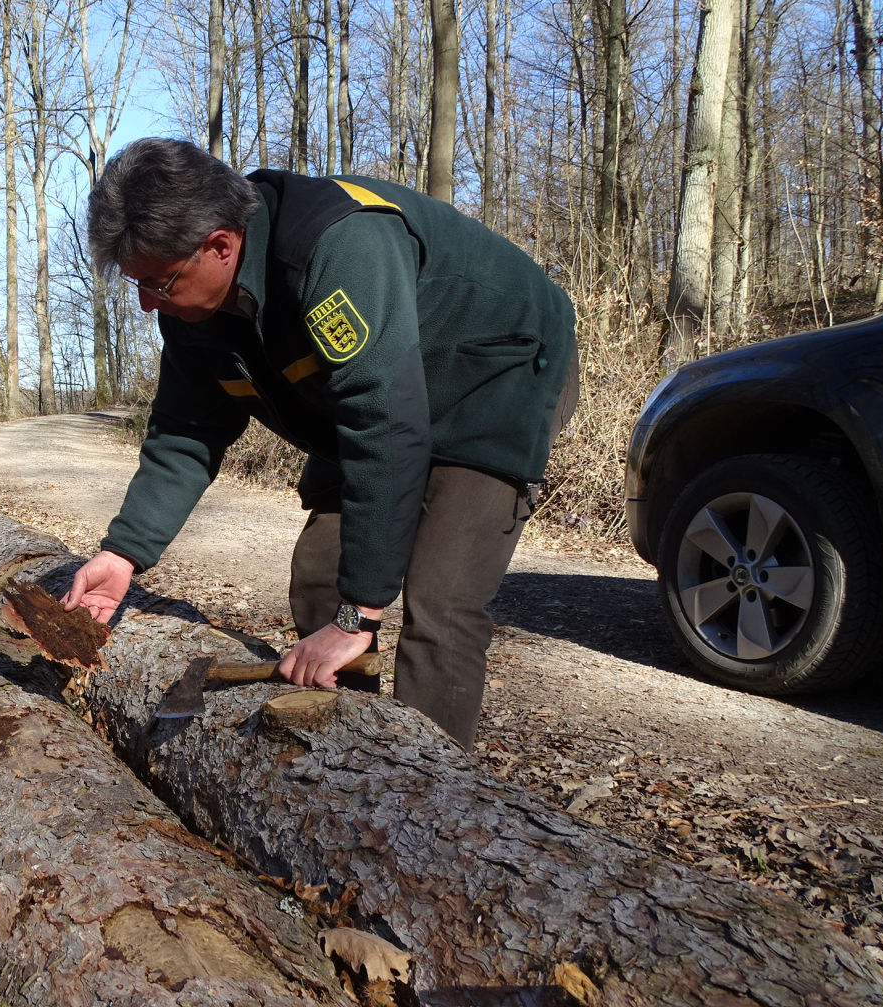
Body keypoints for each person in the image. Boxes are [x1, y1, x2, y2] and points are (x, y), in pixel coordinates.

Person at [61, 139, 578, 749]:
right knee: (319, 573)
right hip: (378, 396)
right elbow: (185, 433)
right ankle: (347, 756)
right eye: (137, 285)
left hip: (494, 376)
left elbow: (385, 420)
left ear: (220, 247)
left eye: (158, 282)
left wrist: (360, 614)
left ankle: (428, 791)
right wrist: (123, 554)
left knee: (440, 602)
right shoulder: (190, 313)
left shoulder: (333, 245)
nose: (149, 302)